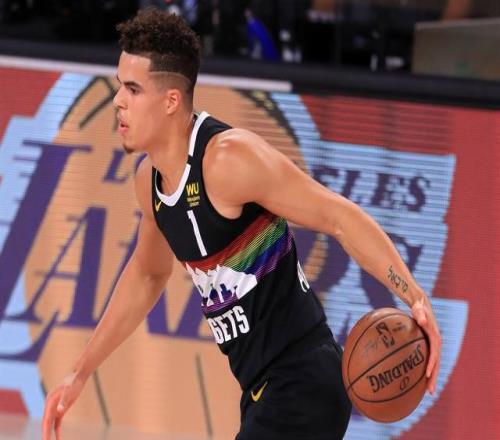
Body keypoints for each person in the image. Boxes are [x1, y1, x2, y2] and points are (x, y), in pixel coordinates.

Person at [42, 8, 441, 440]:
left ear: (171, 100)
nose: (118, 100)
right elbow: (147, 274)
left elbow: (338, 216)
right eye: (120, 85)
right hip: (261, 391)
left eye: (133, 89)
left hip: (305, 380)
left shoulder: (228, 160)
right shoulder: (149, 184)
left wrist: (414, 296)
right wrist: (79, 372)